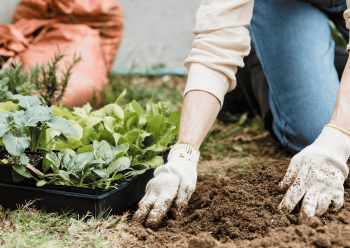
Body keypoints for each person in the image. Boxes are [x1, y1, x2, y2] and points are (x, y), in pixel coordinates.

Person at [132, 0, 350, 227]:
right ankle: (261, 69)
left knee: (339, 140)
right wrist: (184, 154)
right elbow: (215, 45)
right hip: (288, 4)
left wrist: (336, 141)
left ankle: (306, 66)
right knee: (315, 132)